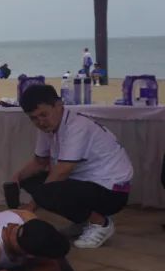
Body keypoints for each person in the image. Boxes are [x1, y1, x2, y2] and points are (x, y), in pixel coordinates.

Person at [11, 84, 132, 248]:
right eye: (34, 118)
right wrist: (16, 178)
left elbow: (63, 171)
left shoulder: (77, 127)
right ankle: (84, 222)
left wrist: (31, 206)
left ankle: (101, 224)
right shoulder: (49, 128)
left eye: (43, 115)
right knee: (30, 181)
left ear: (58, 105)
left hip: (113, 191)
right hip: (87, 183)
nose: (40, 122)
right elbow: (39, 162)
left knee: (48, 192)